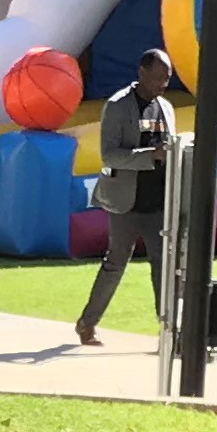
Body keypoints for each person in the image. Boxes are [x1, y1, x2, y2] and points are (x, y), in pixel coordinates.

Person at [74, 53, 173, 344]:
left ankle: (168, 331)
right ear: (141, 72)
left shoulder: (166, 108)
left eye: (166, 78)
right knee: (116, 262)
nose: (162, 85)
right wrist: (151, 155)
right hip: (125, 201)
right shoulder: (117, 106)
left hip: (158, 201)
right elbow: (110, 155)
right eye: (157, 77)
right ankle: (87, 323)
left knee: (163, 266)